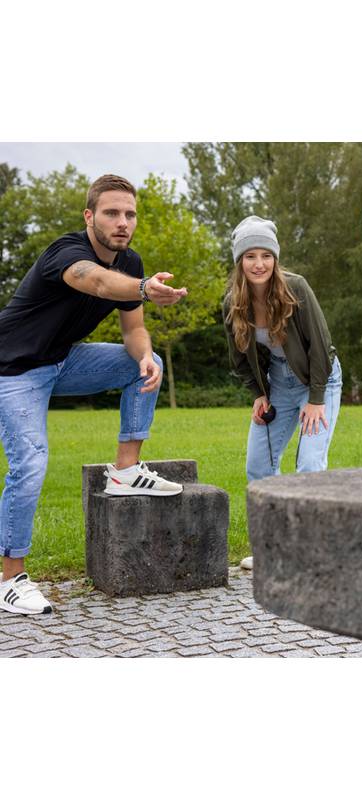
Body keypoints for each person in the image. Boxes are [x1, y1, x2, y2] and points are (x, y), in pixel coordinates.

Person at [0, 174, 188, 615]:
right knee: (30, 461)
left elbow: (134, 329)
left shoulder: (131, 261)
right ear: (90, 216)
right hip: (13, 370)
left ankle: (125, 471)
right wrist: (143, 288)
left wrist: (141, 357)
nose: (123, 222)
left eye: (130, 214)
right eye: (111, 213)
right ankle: (10, 578)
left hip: (62, 361)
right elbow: (100, 284)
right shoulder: (65, 253)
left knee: (150, 362)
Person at [223, 216, 342, 570]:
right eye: (250, 256)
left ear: (275, 258)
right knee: (257, 465)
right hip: (277, 387)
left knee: (308, 465)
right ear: (239, 261)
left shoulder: (296, 288)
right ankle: (271, 548)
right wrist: (259, 394)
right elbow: (239, 357)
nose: (259, 264)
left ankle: (312, 549)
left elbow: (321, 346)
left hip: (318, 382)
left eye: (266, 255)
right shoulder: (232, 302)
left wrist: (316, 399)